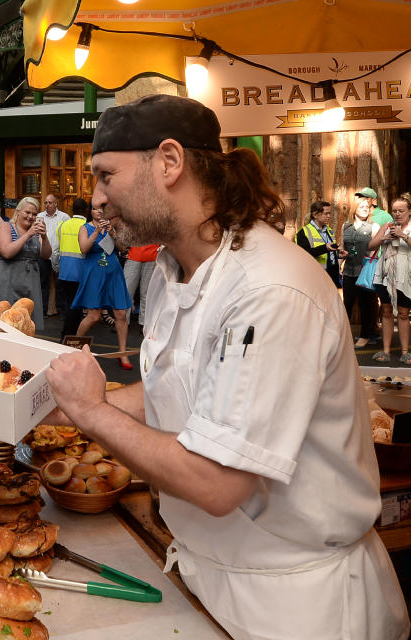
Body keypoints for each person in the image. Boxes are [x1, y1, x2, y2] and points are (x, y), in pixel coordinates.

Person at [45, 94, 408, 640]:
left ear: (169, 162)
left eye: (105, 175)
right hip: (210, 578)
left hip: (298, 606)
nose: (96, 198)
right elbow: (181, 384)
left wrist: (92, 411)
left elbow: (217, 482)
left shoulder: (269, 288)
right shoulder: (176, 266)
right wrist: (58, 408)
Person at [72, 207, 134, 369]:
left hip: (113, 272)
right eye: (94, 208)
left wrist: (113, 233)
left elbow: (123, 249)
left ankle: (122, 353)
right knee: (93, 316)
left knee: (121, 313)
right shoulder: (85, 227)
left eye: (102, 209)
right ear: (90, 211)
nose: (99, 211)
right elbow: (83, 248)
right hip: (95, 273)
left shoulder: (113, 226)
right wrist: (97, 231)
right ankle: (74, 345)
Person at [0, 196, 50, 330]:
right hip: (7, 284)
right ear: (17, 211)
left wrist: (44, 237)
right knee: (7, 325)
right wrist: (28, 234)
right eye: (27, 212)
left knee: (27, 326)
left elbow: (46, 255)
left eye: (34, 214)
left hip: (30, 285)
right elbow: (7, 252)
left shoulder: (36, 233)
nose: (31, 216)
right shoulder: (5, 227)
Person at [369, 193, 411, 364]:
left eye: (401, 211)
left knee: (403, 314)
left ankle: (405, 351)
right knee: (386, 312)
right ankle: (385, 351)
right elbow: (371, 245)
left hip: (405, 277)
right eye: (394, 211)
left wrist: (403, 235)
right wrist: (383, 238)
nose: (397, 214)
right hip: (385, 276)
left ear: (409, 211)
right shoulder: (387, 225)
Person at [342, 198, 382, 349]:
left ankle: (365, 335)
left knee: (366, 305)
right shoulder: (345, 226)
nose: (366, 209)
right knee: (347, 304)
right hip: (348, 271)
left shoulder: (373, 226)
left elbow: (376, 248)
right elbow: (342, 246)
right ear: (355, 208)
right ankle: (343, 335)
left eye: (367, 207)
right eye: (362, 206)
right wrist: (341, 256)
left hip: (364, 271)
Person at [56, 197, 89, 338]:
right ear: (86, 210)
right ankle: (68, 335)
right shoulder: (88, 226)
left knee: (71, 304)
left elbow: (57, 248)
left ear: (72, 210)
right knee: (75, 307)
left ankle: (70, 333)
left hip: (64, 271)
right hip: (81, 271)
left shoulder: (62, 225)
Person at [296, 200, 346, 287]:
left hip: (332, 276)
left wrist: (339, 254)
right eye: (326, 213)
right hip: (315, 276)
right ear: (315, 215)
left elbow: (330, 254)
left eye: (330, 213)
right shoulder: (304, 232)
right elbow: (305, 253)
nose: (329, 216)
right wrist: (325, 248)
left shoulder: (329, 230)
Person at [38, 193, 70, 319]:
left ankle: (62, 312)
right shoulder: (40, 216)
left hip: (59, 254)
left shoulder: (64, 217)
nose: (47, 205)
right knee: (43, 283)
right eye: (45, 202)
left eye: (50, 202)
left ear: (56, 204)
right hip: (44, 255)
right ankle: (44, 311)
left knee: (60, 284)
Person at [123, 242, 160, 331]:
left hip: (152, 256)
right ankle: (123, 321)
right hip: (134, 256)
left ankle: (144, 323)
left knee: (147, 293)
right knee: (127, 291)